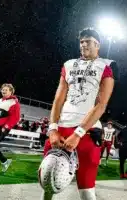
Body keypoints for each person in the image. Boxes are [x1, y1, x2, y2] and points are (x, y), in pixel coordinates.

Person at [42, 28, 116, 200]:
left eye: (87, 41)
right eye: (81, 41)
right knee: (48, 183)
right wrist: (53, 129)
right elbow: (58, 99)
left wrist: (78, 134)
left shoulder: (106, 66)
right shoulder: (68, 65)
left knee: (86, 189)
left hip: (87, 132)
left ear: (97, 44)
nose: (83, 44)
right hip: (60, 130)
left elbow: (101, 105)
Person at [0, 83, 20, 172]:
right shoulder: (0, 100)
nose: (3, 91)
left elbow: (15, 118)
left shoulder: (14, 103)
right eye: (2, 90)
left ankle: (5, 161)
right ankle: (5, 161)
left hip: (1, 128)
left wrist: (5, 127)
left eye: (6, 90)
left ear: (11, 91)